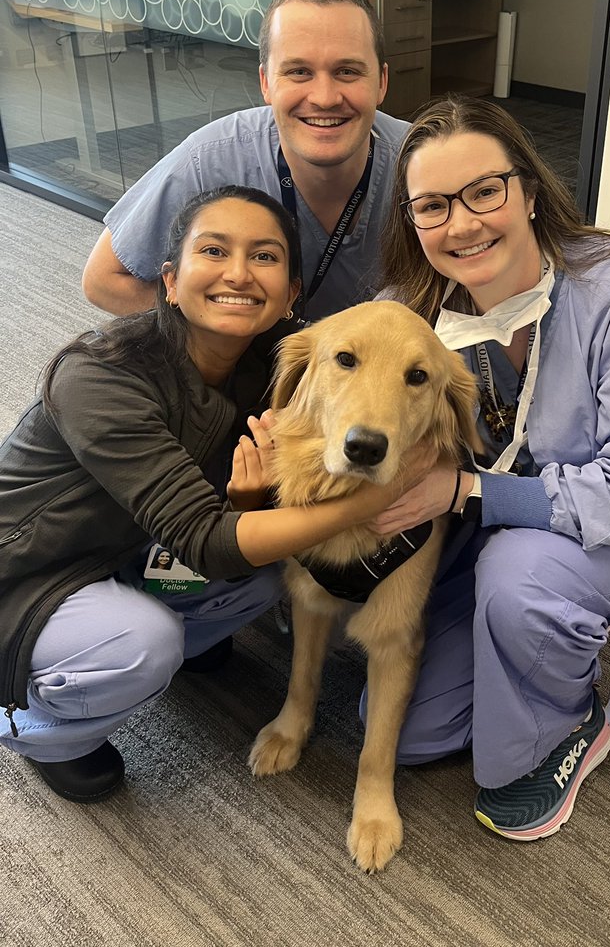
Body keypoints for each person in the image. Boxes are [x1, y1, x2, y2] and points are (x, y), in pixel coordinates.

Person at [372, 96, 610, 841]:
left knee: (520, 580)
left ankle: (566, 729)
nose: (462, 224)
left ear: (529, 192)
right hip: (477, 528)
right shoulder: (415, 308)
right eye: (432, 206)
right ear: (412, 222)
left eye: (484, 191)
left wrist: (470, 490)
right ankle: (517, 642)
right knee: (404, 733)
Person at [0, 186, 432, 804]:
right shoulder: (96, 374)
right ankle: (40, 731)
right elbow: (206, 538)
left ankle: (161, 639)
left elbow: (375, 360)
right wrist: (379, 495)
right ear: (170, 282)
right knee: (144, 645)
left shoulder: (279, 364)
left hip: (136, 545)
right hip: (30, 570)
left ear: (291, 296)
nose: (237, 273)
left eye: (264, 256)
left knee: (266, 575)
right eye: (214, 251)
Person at [81, 0, 410, 323]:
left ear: (382, 82)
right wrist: (225, 326)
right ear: (266, 83)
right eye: (298, 72)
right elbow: (103, 280)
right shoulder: (209, 161)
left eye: (347, 71)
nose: (325, 98)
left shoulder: (419, 162)